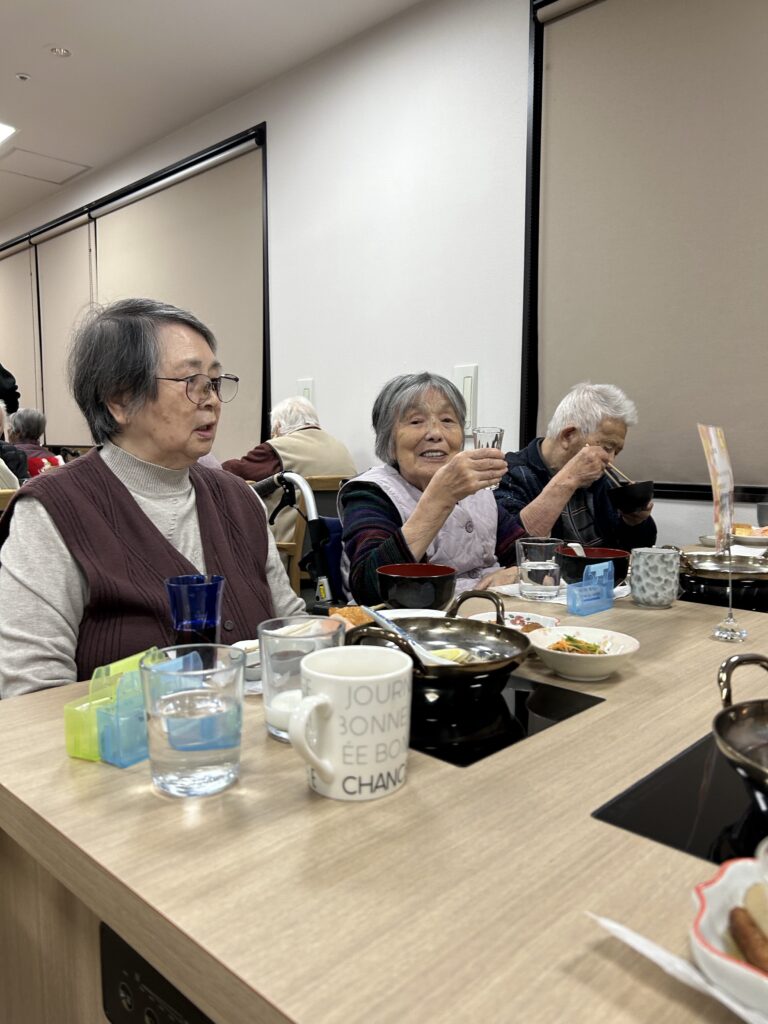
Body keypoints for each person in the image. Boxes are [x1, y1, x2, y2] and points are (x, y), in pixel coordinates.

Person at [0, 298, 304, 697]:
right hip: (119, 740)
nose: (212, 399)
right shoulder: (53, 510)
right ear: (120, 400)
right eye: (192, 382)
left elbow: (293, 634)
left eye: (214, 382)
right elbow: (31, 692)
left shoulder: (239, 499)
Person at [339, 372, 524, 605]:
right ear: (389, 441)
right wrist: (440, 498)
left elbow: (527, 555)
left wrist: (517, 571)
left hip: (487, 613)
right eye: (416, 421)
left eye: (447, 420)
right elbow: (369, 587)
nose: (436, 433)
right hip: (410, 620)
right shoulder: (370, 493)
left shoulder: (477, 492)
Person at [495, 382, 656, 550]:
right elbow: (512, 548)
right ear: (568, 436)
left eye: (616, 452)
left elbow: (637, 550)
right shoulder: (508, 474)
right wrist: (569, 479)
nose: (610, 461)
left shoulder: (603, 479)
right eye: (607, 448)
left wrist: (634, 523)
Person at [222, 394, 357, 552]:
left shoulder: (276, 449)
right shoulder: (341, 448)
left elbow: (232, 473)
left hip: (289, 551)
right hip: (339, 549)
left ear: (278, 426)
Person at [7, 408, 59, 476]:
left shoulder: (8, 458)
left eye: (10, 427)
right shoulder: (54, 459)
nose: (8, 431)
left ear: (18, 432)